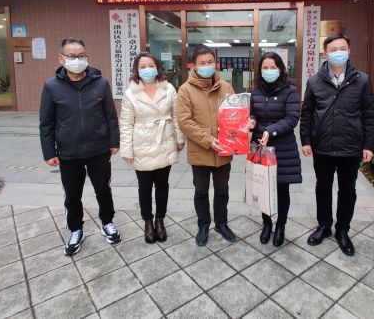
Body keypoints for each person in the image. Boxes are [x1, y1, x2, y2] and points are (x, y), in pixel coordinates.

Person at [40, 38, 121, 256]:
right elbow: (46, 123)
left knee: (103, 189)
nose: (77, 60)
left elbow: (111, 116)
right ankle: (76, 230)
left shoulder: (100, 83)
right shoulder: (51, 86)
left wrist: (114, 141)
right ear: (62, 58)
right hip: (68, 152)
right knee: (72, 195)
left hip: (98, 149)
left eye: (81, 56)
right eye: (72, 56)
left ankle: (107, 223)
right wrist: (49, 152)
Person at [300, 33, 374, 256]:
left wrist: (369, 145)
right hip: (322, 146)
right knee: (322, 188)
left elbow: (369, 115)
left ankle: (342, 230)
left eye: (342, 48)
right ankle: (324, 226)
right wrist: (306, 140)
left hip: (350, 147)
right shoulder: (315, 81)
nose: (338, 53)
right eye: (333, 50)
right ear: (325, 54)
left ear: (349, 51)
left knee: (347, 190)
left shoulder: (362, 80)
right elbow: (307, 113)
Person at [119, 52, 185, 244]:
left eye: (151, 65)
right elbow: (126, 123)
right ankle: (148, 221)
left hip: (165, 141)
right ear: (136, 70)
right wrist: (126, 149)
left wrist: (179, 139)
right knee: (144, 187)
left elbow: (176, 116)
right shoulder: (130, 93)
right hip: (142, 144)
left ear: (157, 68)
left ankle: (160, 220)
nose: (147, 69)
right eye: (143, 66)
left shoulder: (169, 88)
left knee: (162, 185)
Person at [177, 44, 236, 246]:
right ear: (194, 65)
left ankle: (221, 223)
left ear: (215, 63)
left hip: (224, 150)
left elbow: (234, 115)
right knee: (201, 191)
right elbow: (185, 122)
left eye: (210, 62)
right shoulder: (185, 90)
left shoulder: (226, 87)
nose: (207, 66)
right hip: (200, 150)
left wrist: (243, 126)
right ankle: (203, 225)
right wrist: (209, 140)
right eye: (202, 63)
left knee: (222, 190)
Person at [249, 52, 302, 247]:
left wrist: (270, 131)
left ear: (280, 69)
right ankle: (266, 224)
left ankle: (281, 226)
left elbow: (292, 118)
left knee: (281, 189)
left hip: (283, 148)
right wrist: (251, 121)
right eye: (265, 67)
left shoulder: (290, 91)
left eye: (273, 67)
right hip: (260, 147)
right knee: (262, 186)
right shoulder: (255, 91)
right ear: (260, 70)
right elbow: (252, 114)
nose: (269, 71)